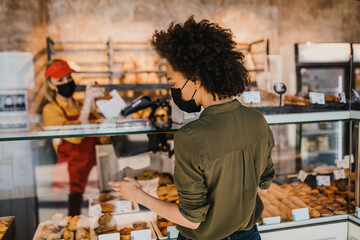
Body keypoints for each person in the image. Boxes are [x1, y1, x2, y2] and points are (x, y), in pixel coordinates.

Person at [110, 16, 275, 240]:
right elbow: (263, 187)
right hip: (250, 235)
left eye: (173, 83)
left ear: (196, 79)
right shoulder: (257, 120)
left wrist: (139, 196)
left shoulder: (191, 136)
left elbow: (191, 219)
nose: (174, 91)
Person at [42, 59, 105, 216]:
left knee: (92, 219)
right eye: (60, 80)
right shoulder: (51, 110)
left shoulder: (81, 105)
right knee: (71, 222)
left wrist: (102, 103)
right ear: (50, 85)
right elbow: (75, 137)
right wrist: (87, 105)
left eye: (69, 77)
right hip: (68, 179)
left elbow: (103, 137)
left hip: (90, 173)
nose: (67, 82)